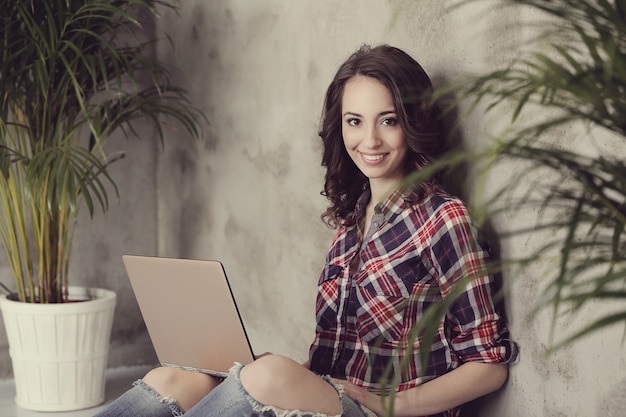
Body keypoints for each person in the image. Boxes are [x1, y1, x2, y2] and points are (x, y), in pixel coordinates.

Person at [94, 44, 517, 417]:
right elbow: (333, 366)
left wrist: (394, 403)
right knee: (177, 377)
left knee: (268, 374)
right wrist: (277, 374)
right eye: (354, 121)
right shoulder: (351, 224)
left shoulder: (444, 219)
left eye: (388, 120)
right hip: (332, 400)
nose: (369, 139)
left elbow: (488, 365)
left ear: (413, 122)